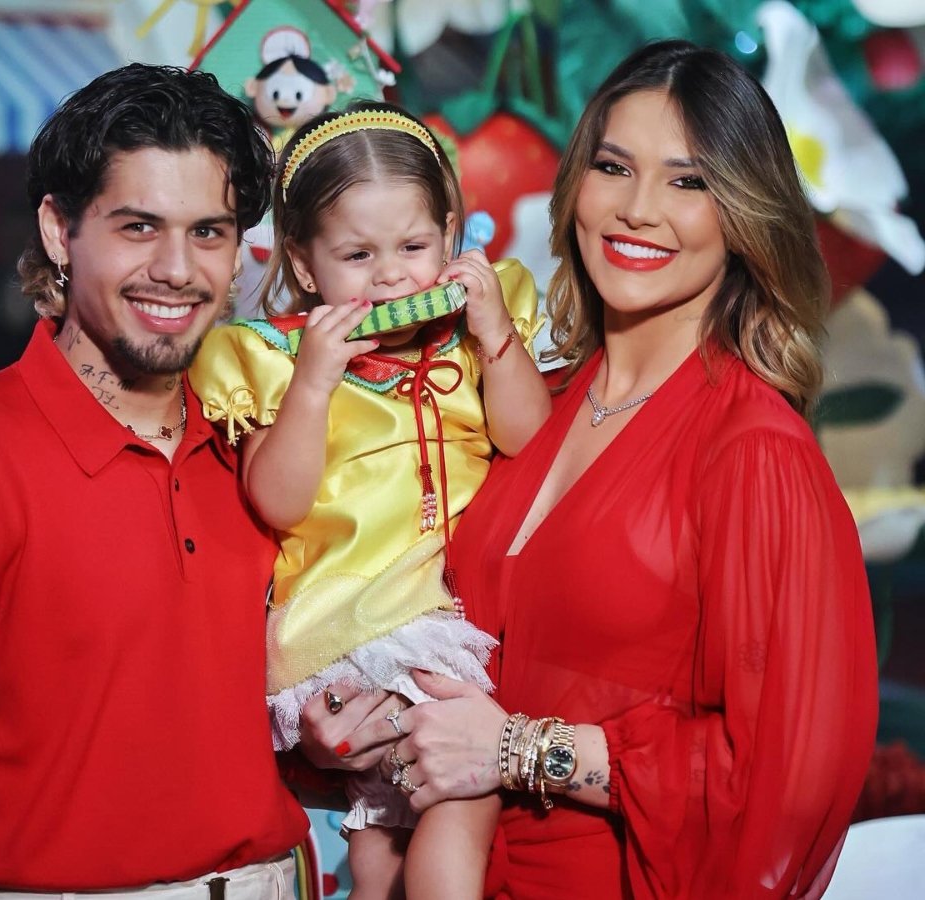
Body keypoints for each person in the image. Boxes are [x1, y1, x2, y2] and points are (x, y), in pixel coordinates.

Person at [301, 41, 879, 899]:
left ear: (743, 216)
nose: (638, 209)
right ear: (578, 186)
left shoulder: (754, 453)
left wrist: (519, 749)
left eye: (689, 181)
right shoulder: (528, 401)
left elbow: (780, 779)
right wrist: (351, 731)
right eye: (615, 167)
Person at [0, 64, 308, 899]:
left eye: (208, 232)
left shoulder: (262, 445)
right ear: (59, 230)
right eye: (137, 226)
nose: (176, 269)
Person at [189, 102, 551, 900]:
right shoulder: (273, 357)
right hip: (357, 621)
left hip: (452, 610)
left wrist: (497, 338)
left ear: (452, 236)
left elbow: (532, 440)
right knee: (463, 795)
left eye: (415, 247)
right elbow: (277, 503)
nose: (391, 275)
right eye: (357, 254)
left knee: (382, 844)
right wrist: (314, 384)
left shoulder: (474, 331)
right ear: (306, 264)